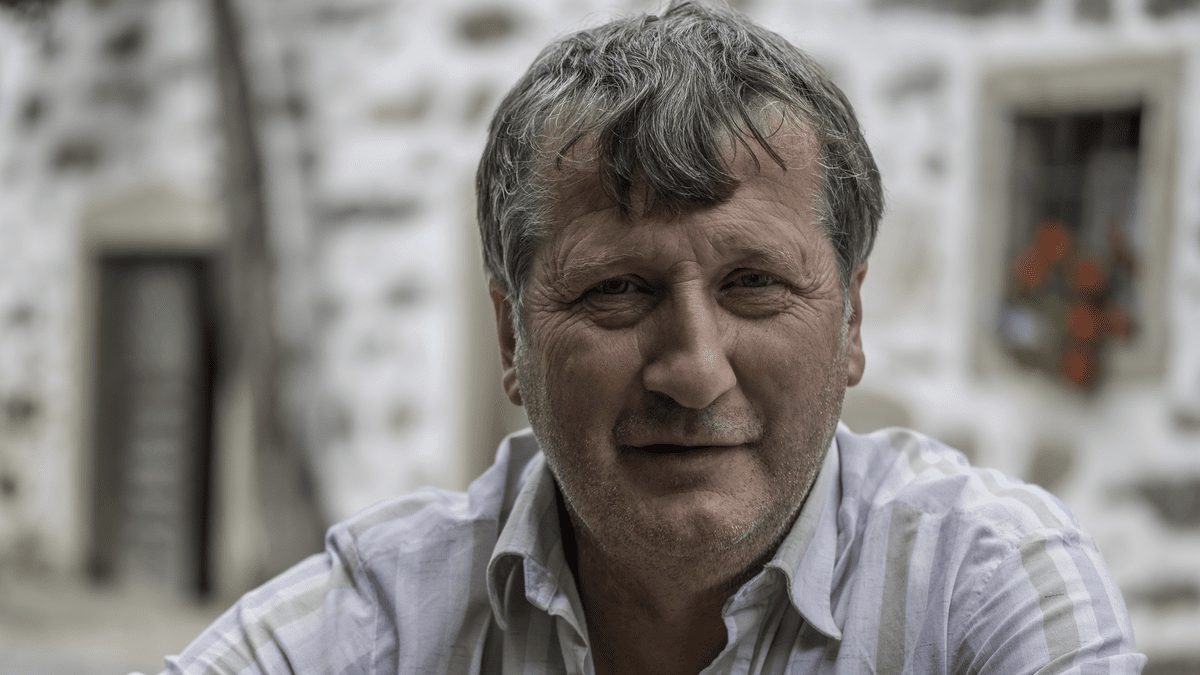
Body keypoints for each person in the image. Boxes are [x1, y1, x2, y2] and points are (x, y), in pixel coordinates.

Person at [152, 2, 1144, 673]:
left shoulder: (984, 583)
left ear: (852, 320)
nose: (694, 371)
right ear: (511, 336)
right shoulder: (393, 613)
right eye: (619, 291)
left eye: (755, 284)